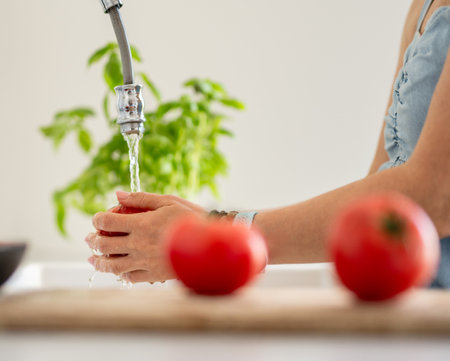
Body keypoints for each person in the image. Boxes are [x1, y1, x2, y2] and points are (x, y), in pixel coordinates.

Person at [85, 0, 450, 288]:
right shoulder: (422, 7)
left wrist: (223, 234)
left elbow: (437, 197)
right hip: (410, 314)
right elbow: (376, 209)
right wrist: (210, 227)